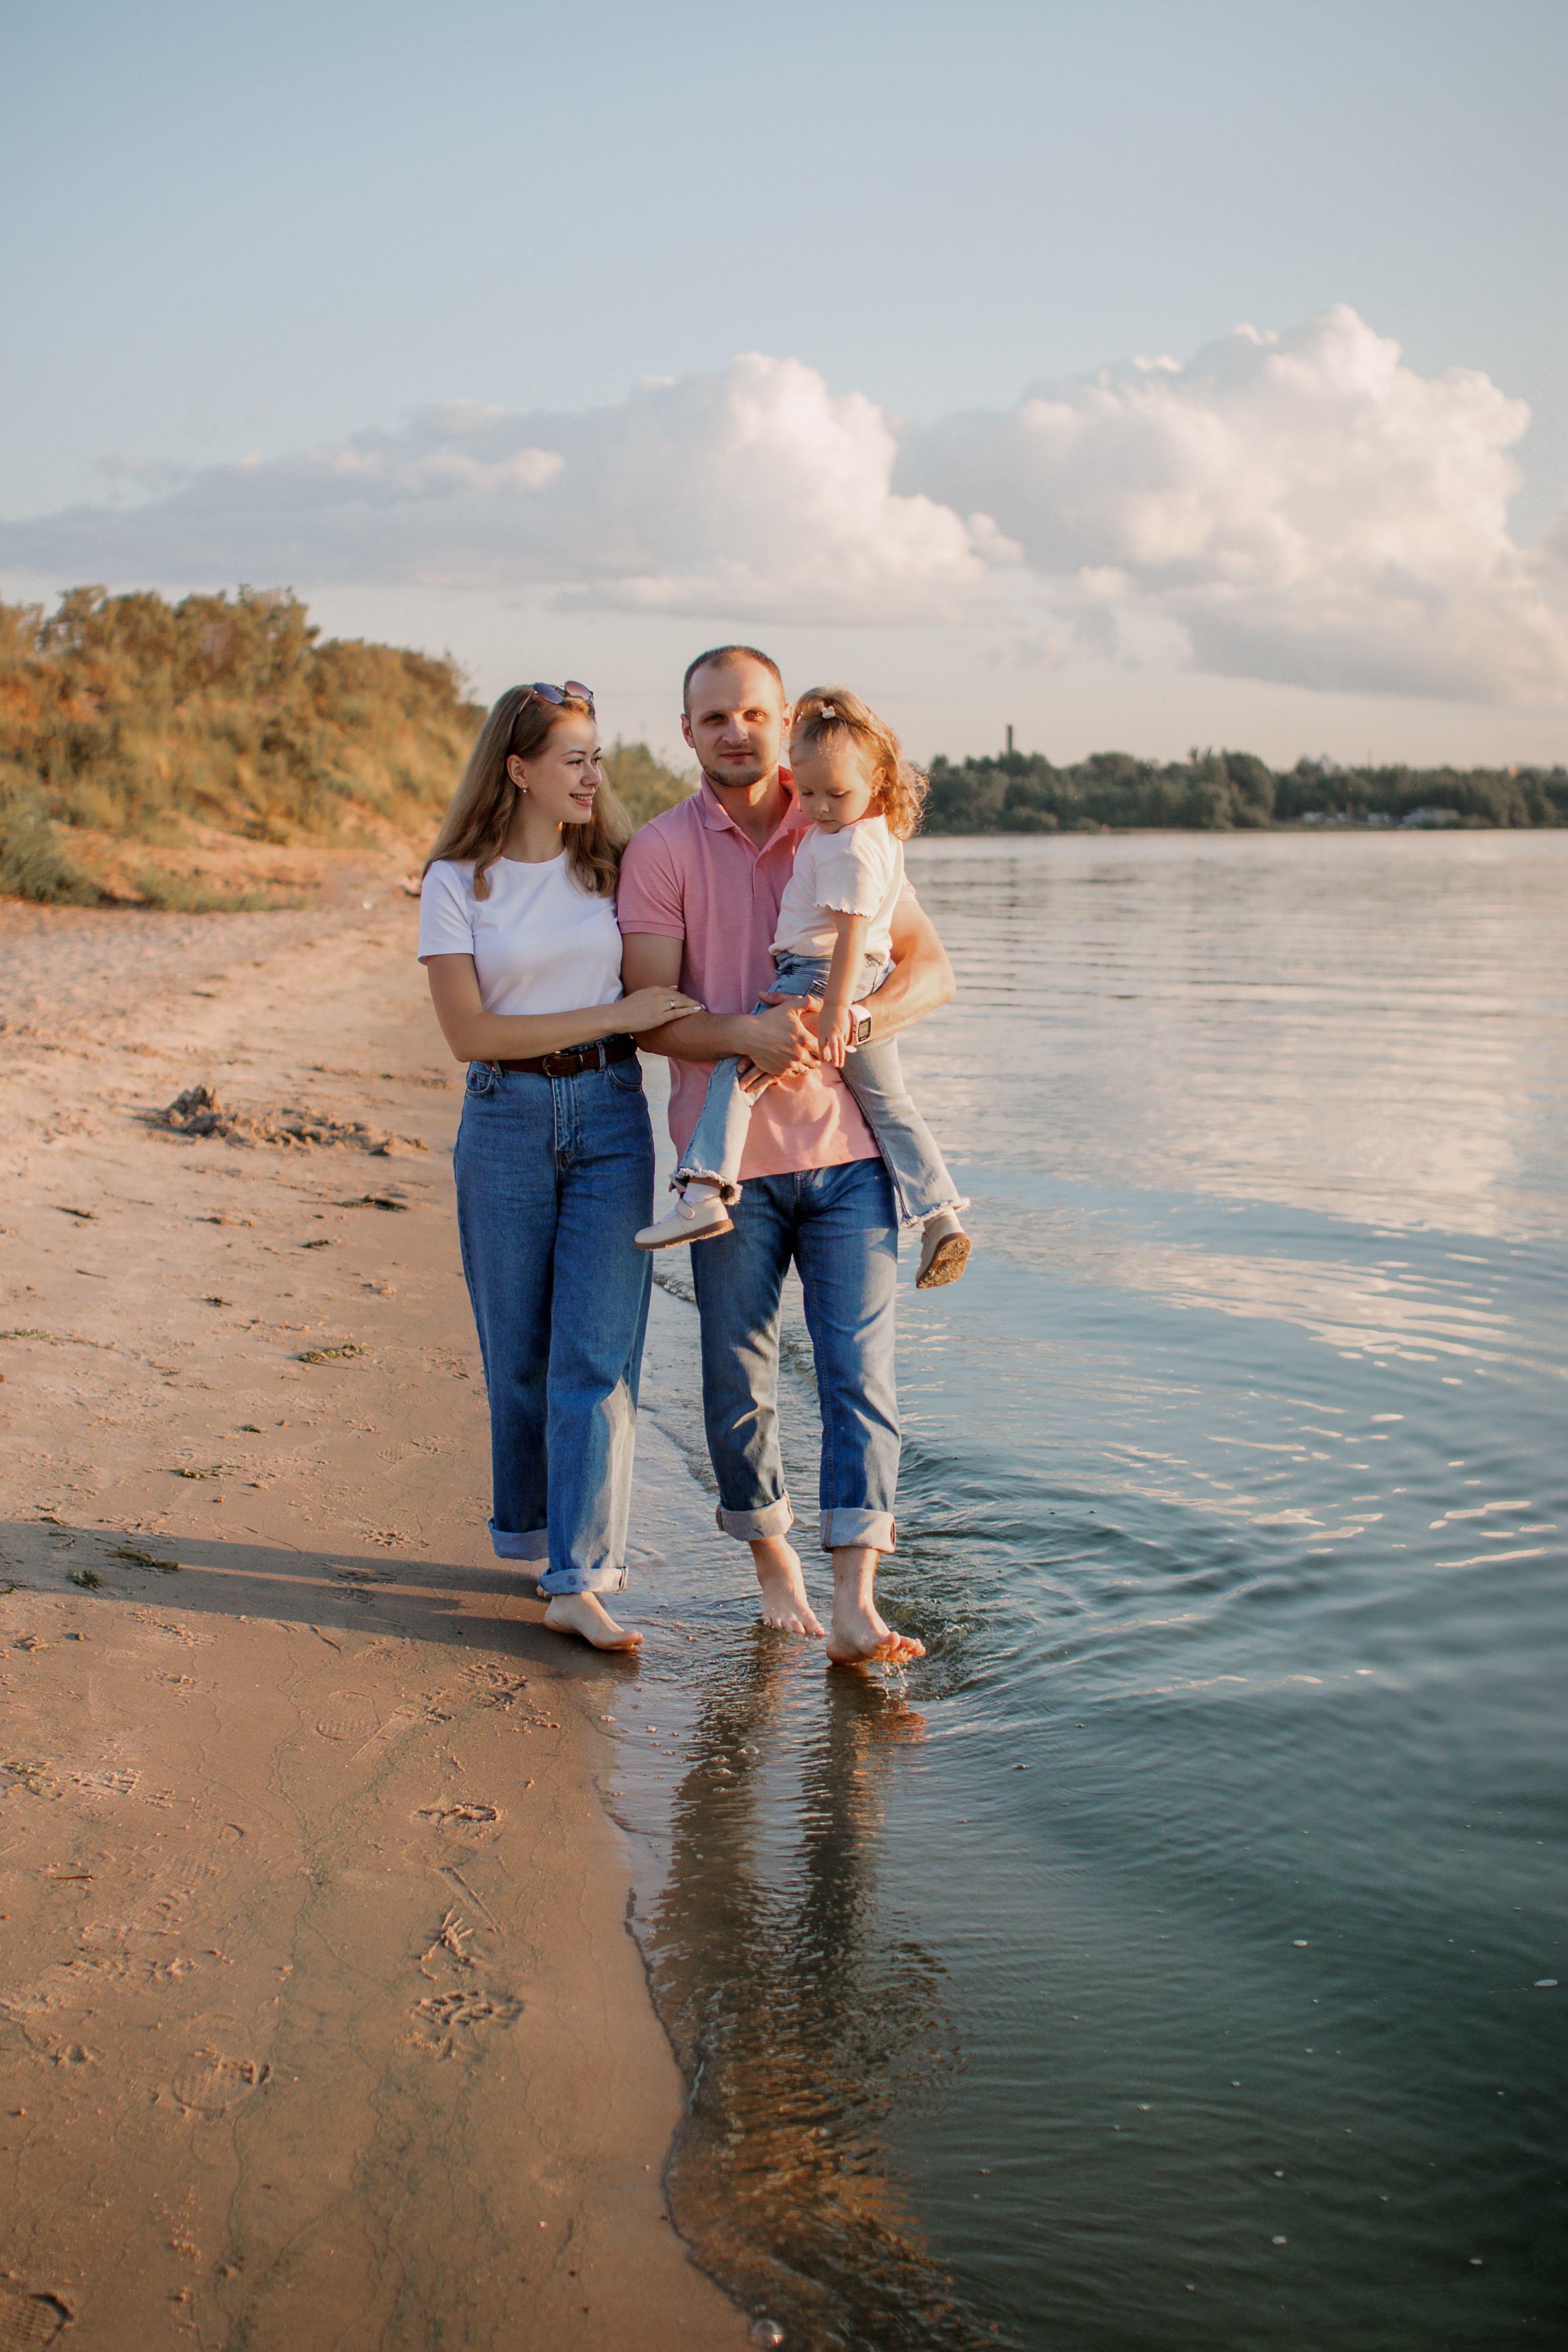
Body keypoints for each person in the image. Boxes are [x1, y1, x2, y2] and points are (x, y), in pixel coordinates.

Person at [618, 646, 957, 1665]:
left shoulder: (841, 820)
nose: (736, 730)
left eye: (754, 712)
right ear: (687, 730)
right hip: (729, 1173)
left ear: (783, 718)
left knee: (860, 1375)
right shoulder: (662, 850)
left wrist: (858, 1012)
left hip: (849, 1157)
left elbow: (932, 970)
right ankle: (774, 1563)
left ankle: (857, 1599)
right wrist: (746, 1035)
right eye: (714, 715)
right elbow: (647, 1014)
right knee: (736, 1379)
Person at [418, 679, 702, 1652]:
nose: (592, 774)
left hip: (612, 1116)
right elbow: (469, 1032)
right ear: (518, 768)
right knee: (521, 1355)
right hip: (503, 1118)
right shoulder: (457, 882)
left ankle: (580, 1573)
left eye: (596, 756)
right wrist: (616, 1014)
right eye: (572, 757)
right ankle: (537, 1539)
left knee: (598, 1348)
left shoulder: (617, 868)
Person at [634, 684, 970, 1289]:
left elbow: (857, 939)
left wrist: (840, 1012)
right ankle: (940, 1213)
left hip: (818, 974)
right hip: (843, 984)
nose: (815, 806)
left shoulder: (848, 843)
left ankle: (704, 1188)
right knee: (890, 1104)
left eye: (833, 794)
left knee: (739, 1069)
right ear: (688, 729)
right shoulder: (867, 829)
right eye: (810, 793)